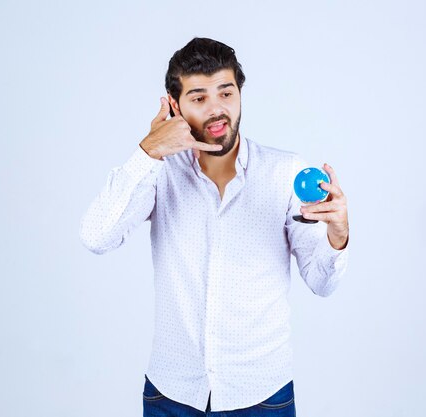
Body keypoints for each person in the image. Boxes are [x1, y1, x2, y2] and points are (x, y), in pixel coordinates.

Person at [79, 37, 350, 417]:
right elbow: (96, 236)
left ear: (240, 93)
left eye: (225, 93)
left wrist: (338, 235)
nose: (216, 110)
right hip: (171, 395)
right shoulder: (159, 173)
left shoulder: (284, 172)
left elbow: (323, 283)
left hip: (263, 397)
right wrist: (148, 151)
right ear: (174, 105)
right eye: (199, 98)